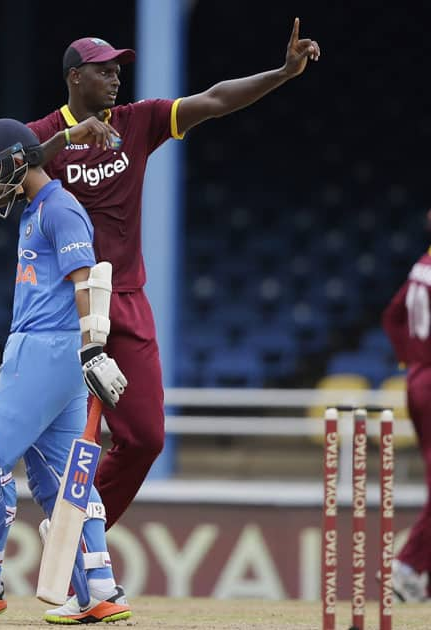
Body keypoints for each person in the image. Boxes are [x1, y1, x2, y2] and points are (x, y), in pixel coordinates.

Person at [27, 19, 321, 529]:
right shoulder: (43, 135)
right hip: (63, 302)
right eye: (104, 71)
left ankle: (71, 528)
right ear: (75, 78)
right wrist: (70, 137)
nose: (116, 79)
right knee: (41, 430)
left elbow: (213, 99)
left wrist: (283, 73)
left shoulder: (138, 121)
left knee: (145, 439)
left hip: (125, 299)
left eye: (119, 71)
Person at [0, 118, 129, 623]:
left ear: (17, 161)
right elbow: (49, 294)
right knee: (63, 478)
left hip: (51, 352)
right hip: (39, 352)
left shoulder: (59, 209)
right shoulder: (37, 211)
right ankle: (97, 587)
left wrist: (92, 349)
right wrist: (13, 361)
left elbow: (88, 281)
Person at [382, 211, 431, 602]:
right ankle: (408, 568)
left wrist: (411, 357)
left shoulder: (423, 264)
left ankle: (415, 573)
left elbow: (392, 317)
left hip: (419, 378)